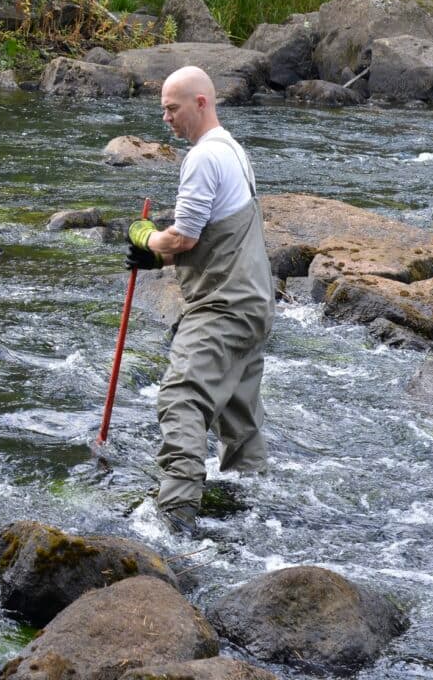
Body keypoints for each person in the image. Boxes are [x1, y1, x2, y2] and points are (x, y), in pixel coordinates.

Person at [124, 64, 274, 535]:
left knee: (181, 396)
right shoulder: (234, 151)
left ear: (201, 103)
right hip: (254, 305)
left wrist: (146, 239)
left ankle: (175, 516)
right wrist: (159, 259)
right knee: (237, 414)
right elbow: (216, 237)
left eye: (172, 108)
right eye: (163, 109)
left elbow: (185, 239)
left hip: (222, 306)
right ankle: (253, 511)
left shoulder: (204, 157)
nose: (165, 118)